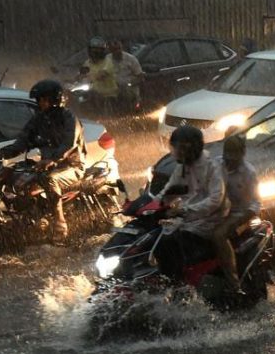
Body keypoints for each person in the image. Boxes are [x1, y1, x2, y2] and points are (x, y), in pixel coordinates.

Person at [0, 79, 86, 244]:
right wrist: (1, 154)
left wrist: (52, 159)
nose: (40, 103)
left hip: (71, 166)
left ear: (54, 99)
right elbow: (22, 141)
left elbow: (68, 144)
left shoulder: (69, 119)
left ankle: (60, 222)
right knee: (14, 176)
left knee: (49, 179)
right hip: (46, 166)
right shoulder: (38, 120)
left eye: (43, 99)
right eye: (39, 100)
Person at [154, 126, 230, 281]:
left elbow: (215, 200)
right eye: (175, 147)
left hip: (210, 219)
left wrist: (185, 210)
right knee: (156, 237)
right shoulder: (183, 167)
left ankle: (181, 281)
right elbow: (168, 190)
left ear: (193, 148)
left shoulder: (212, 167)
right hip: (188, 215)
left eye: (181, 148)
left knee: (172, 241)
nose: (177, 152)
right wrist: (151, 205)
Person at [213, 133, 261, 293]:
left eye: (234, 158)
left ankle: (233, 283)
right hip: (216, 211)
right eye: (228, 158)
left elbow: (256, 204)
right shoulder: (215, 165)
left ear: (242, 155)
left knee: (219, 235)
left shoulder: (249, 173)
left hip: (240, 215)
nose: (230, 162)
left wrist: (239, 220)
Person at [80, 36, 118, 110]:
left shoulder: (108, 61)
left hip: (108, 96)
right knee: (79, 100)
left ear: (102, 50)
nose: (95, 52)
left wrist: (91, 78)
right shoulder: (87, 63)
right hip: (93, 95)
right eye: (93, 49)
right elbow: (82, 74)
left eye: (98, 49)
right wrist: (74, 80)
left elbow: (103, 74)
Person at [108, 39, 144, 110]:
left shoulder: (131, 59)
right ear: (110, 50)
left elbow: (140, 77)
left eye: (119, 48)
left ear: (122, 48)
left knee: (127, 93)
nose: (117, 51)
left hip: (129, 89)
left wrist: (129, 84)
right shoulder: (107, 60)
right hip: (112, 89)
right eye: (114, 49)